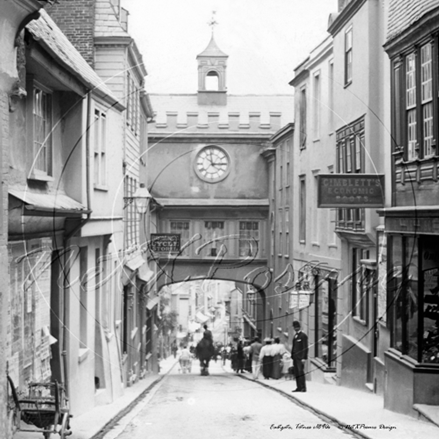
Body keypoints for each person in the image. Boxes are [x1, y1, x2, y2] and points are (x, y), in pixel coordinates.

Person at [291, 320, 308, 392]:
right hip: (295, 357)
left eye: (297, 327)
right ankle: (298, 387)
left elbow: (305, 347)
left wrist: (304, 357)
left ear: (299, 327)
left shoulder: (303, 336)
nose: (296, 328)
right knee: (296, 372)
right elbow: (294, 346)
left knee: (300, 372)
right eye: (295, 327)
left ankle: (303, 387)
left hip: (300, 358)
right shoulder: (295, 336)